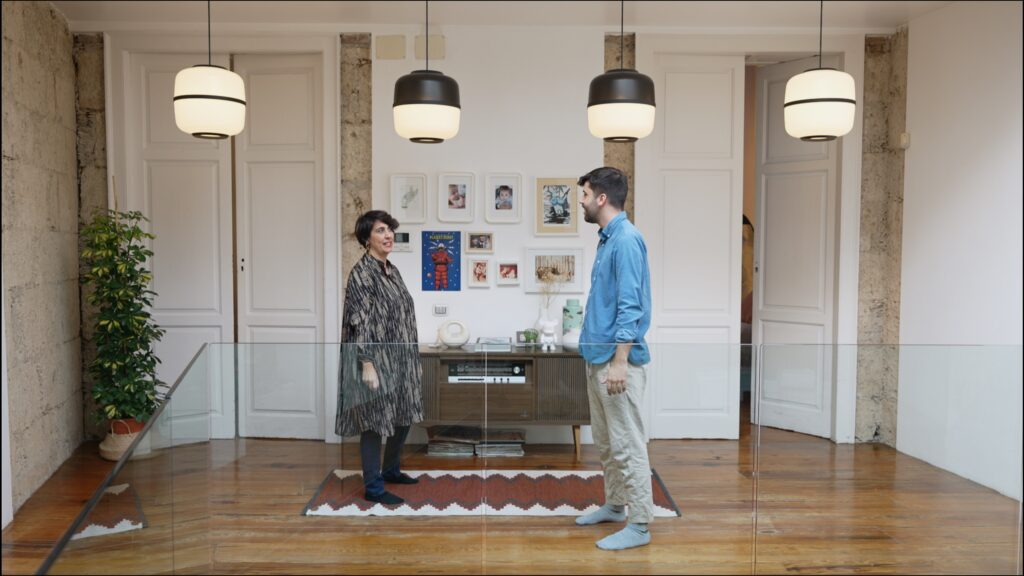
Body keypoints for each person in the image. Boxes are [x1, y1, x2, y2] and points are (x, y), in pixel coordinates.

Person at [574, 166, 653, 550]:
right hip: (598, 357)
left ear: (602, 198)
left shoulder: (626, 240)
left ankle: (639, 525)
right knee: (606, 443)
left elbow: (630, 306)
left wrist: (620, 362)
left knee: (627, 444)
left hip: (616, 362)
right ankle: (616, 505)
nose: (581, 202)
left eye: (585, 194)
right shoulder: (608, 240)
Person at [336, 210, 423, 505]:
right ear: (366, 239)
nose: (388, 235)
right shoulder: (362, 274)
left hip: (401, 358)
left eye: (389, 230)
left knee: (403, 414)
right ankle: (373, 488)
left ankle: (391, 470)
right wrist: (367, 364)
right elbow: (358, 322)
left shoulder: (392, 270)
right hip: (375, 359)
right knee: (374, 422)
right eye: (380, 231)